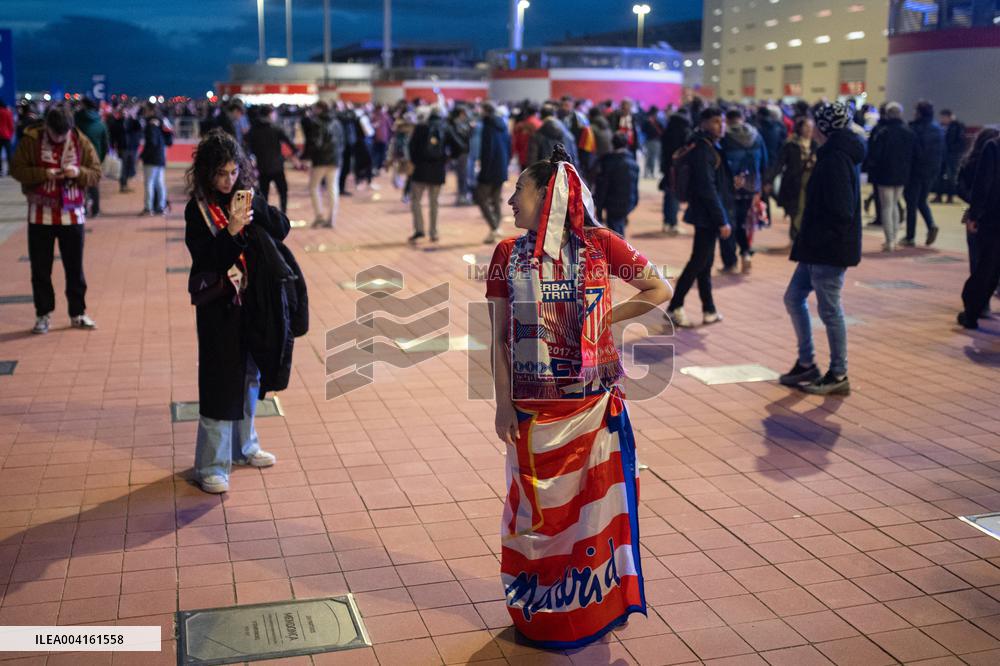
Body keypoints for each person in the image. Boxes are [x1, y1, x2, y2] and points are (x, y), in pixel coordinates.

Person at [486, 143, 669, 648]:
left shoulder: (600, 243)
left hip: (593, 410)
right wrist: (503, 403)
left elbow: (658, 290)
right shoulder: (507, 254)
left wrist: (609, 319)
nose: (510, 202)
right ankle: (539, 609)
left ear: (549, 195)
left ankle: (591, 612)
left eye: (518, 191)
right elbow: (497, 335)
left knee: (595, 515)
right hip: (531, 411)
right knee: (533, 519)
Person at [183, 129, 288, 494]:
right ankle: (211, 465)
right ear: (206, 172)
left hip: (253, 301)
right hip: (219, 305)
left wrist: (256, 208)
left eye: (233, 172)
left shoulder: (247, 197)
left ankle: (246, 447)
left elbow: (282, 228)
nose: (228, 180)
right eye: (221, 174)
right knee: (218, 381)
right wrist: (231, 230)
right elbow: (207, 260)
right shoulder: (196, 209)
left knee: (250, 375)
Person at [780, 102, 865, 395]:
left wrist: (817, 238)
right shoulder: (834, 154)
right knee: (794, 297)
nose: (812, 128)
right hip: (816, 248)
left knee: (830, 311)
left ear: (825, 128)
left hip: (827, 249)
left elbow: (841, 210)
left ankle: (838, 373)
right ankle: (807, 363)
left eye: (817, 123)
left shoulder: (836, 159)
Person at [11, 105, 101, 334]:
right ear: (46, 127)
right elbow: (17, 169)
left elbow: (96, 172)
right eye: (55, 135)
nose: (60, 139)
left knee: (75, 268)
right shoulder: (32, 140)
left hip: (72, 215)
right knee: (41, 269)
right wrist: (44, 173)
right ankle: (43, 314)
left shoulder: (80, 140)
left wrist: (78, 173)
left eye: (64, 134)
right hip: (40, 215)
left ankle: (77, 312)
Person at [664, 108, 733, 328]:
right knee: (698, 261)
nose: (720, 125)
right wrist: (722, 219)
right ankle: (675, 306)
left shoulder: (710, 146)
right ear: (703, 123)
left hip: (707, 213)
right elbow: (707, 188)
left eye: (722, 121)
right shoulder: (703, 149)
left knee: (705, 261)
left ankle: (709, 309)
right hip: (707, 214)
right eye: (715, 121)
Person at [958, 134, 1000, 330]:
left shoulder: (993, 146)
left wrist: (974, 215)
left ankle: (972, 312)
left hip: (994, 218)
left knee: (987, 267)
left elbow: (984, 184)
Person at [720, 108, 768, 273]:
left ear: (728, 119)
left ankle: (730, 263)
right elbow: (764, 161)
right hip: (751, 185)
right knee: (742, 222)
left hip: (731, 186)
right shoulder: (756, 135)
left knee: (727, 222)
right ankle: (746, 253)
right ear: (742, 118)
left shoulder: (724, 136)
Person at [866, 102, 916, 252]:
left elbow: (875, 154)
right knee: (894, 204)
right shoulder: (909, 131)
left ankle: (890, 241)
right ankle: (893, 236)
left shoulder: (883, 131)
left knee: (886, 206)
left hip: (885, 174)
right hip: (902, 174)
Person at [407, 106, 454, 244]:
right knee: (435, 203)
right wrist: (445, 160)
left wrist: (416, 162)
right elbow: (455, 146)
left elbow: (411, 148)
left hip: (420, 170)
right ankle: (434, 232)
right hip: (438, 171)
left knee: (416, 201)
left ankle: (419, 230)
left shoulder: (420, 128)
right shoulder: (446, 128)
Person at [767, 116, 815, 242]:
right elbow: (779, 163)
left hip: (810, 183)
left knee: (807, 210)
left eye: (811, 127)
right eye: (806, 126)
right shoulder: (791, 144)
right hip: (794, 183)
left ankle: (802, 237)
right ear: (799, 128)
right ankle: (795, 238)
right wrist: (769, 180)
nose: (809, 129)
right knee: (795, 210)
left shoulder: (816, 144)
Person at [903, 100, 944, 247]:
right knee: (921, 200)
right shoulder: (938, 129)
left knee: (911, 202)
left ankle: (910, 236)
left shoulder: (915, 129)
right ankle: (931, 225)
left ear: (919, 113)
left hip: (915, 171)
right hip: (931, 171)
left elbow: (911, 152)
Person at [244, 105, 297, 214]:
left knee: (264, 194)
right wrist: (295, 154)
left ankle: (265, 216)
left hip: (262, 167)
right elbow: (290, 144)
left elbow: (246, 146)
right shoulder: (276, 129)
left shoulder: (253, 130)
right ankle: (283, 213)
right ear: (269, 114)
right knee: (283, 191)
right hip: (277, 166)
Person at [303, 101, 344, 229]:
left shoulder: (316, 123)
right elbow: (343, 142)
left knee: (314, 187)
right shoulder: (337, 122)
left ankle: (319, 216)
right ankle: (332, 218)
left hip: (320, 161)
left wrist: (308, 157)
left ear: (320, 109)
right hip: (335, 159)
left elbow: (316, 143)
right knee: (333, 188)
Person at [476, 102, 511, 244]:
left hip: (490, 168)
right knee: (496, 199)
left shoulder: (487, 126)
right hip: (501, 167)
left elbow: (487, 150)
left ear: (485, 111)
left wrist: (483, 170)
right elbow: (509, 146)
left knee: (480, 197)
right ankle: (496, 228)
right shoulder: (502, 124)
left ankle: (494, 226)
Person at [595, 133, 640, 236]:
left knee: (616, 233)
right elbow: (635, 187)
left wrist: (599, 208)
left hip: (612, 204)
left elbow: (603, 187)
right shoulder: (633, 163)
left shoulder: (608, 162)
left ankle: (620, 251)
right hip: (628, 203)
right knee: (619, 228)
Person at [74, 98, 110, 218]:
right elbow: (105, 144)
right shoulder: (100, 123)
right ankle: (95, 210)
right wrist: (100, 158)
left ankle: (81, 208)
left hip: (78, 157)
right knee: (94, 184)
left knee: (80, 183)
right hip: (96, 158)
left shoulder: (76, 121)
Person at [660, 107, 693, 235]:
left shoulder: (667, 131)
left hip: (667, 167)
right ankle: (673, 223)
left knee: (668, 195)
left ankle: (667, 221)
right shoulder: (685, 131)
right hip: (679, 170)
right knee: (675, 195)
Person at [140, 103, 173, 216]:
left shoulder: (151, 124)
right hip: (161, 157)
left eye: (146, 110)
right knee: (159, 183)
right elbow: (169, 139)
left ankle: (148, 208)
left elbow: (151, 143)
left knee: (149, 183)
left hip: (151, 158)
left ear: (150, 111)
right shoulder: (162, 122)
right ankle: (161, 206)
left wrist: (142, 156)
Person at [528, 105, 578, 169]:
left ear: (541, 116)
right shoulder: (567, 134)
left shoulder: (537, 134)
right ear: (555, 115)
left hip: (544, 173)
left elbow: (532, 158)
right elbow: (573, 156)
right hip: (564, 172)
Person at [933, 109, 966, 204]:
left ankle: (950, 197)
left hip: (952, 156)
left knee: (951, 177)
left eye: (943, 117)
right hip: (942, 156)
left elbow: (961, 142)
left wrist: (953, 151)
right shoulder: (940, 127)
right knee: (939, 176)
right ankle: (938, 196)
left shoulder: (958, 126)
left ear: (949, 117)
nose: (942, 119)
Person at [448, 106, 473, 205]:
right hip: (460, 153)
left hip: (460, 152)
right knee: (462, 175)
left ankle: (462, 195)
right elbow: (461, 138)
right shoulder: (457, 124)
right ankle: (462, 196)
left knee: (462, 175)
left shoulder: (457, 124)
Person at [512, 103, 541, 171]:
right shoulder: (540, 123)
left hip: (525, 155)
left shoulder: (522, 125)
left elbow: (518, 141)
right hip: (537, 156)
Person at [640, 105, 663, 179]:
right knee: (652, 157)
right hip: (655, 141)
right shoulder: (657, 120)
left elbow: (643, 130)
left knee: (649, 157)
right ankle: (651, 173)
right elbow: (662, 129)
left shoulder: (647, 120)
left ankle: (647, 173)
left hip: (648, 140)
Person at [0, 100, 15, 176]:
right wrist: (11, 134)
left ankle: (0, 170)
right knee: (9, 153)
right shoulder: (7, 112)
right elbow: (11, 124)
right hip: (6, 135)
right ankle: (10, 170)